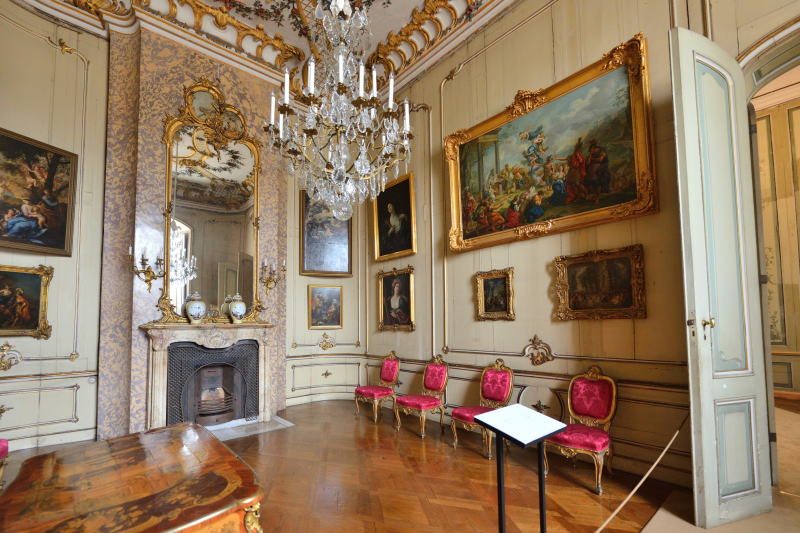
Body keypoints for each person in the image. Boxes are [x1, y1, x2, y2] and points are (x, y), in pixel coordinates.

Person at [565, 138, 587, 204]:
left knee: (577, 184)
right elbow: (569, 160)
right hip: (572, 172)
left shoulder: (579, 155)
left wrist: (578, 157)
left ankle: (586, 194)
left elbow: (581, 162)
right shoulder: (574, 155)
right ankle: (576, 197)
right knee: (572, 185)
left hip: (576, 172)